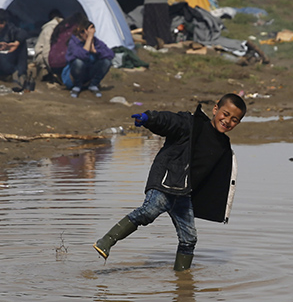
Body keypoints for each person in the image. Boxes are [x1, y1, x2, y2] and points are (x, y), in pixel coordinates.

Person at [93, 93, 247, 271]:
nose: (227, 121)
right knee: (148, 212)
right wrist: (148, 118)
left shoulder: (223, 146)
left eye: (234, 120)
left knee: (189, 238)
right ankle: (106, 241)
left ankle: (182, 278)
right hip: (165, 182)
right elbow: (169, 121)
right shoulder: (191, 124)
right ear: (215, 109)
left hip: (183, 194)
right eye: (225, 114)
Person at [64, 19, 114, 98]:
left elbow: (110, 54)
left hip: (88, 72)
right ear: (81, 33)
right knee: (79, 62)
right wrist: (89, 40)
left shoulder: (96, 42)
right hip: (73, 75)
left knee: (106, 62)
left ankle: (93, 84)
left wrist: (95, 51)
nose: (91, 36)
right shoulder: (73, 42)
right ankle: (77, 86)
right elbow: (82, 55)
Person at [31, 10, 64, 85]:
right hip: (43, 56)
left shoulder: (65, 29)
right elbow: (46, 51)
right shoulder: (49, 29)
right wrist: (53, 69)